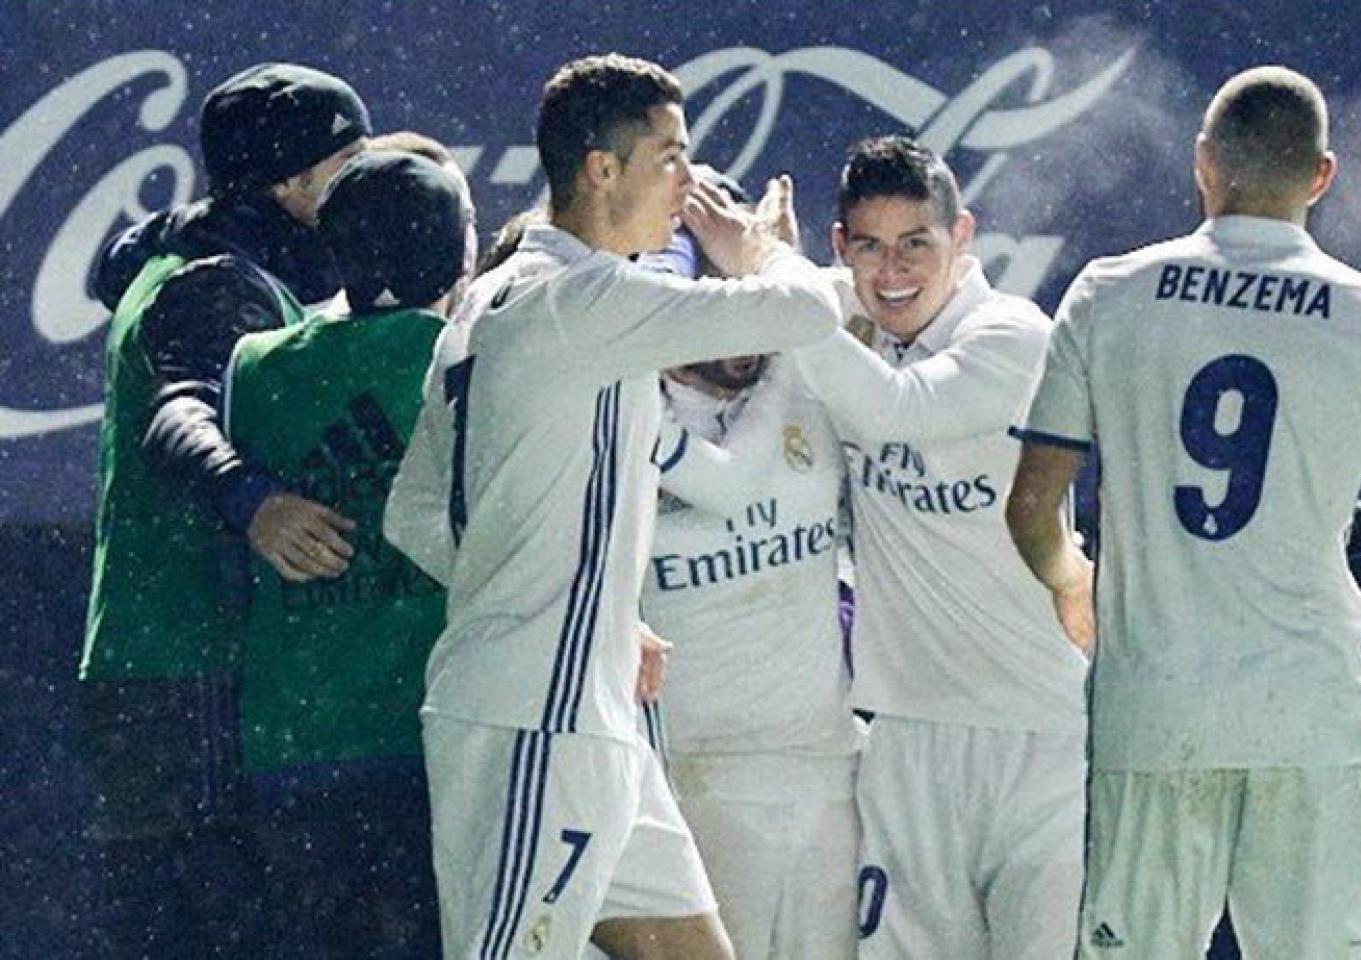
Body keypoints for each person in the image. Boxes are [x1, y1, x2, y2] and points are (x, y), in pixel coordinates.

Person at [1005, 66, 1361, 958]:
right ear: (1322, 176)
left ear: (1203, 164)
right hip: (1308, 715)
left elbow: (1033, 504)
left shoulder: (1109, 295)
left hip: (1155, 708)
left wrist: (1073, 580)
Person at [383, 53, 838, 960]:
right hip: (534, 719)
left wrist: (597, 609)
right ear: (602, 169)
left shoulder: (492, 298)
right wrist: (758, 245)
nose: (689, 182)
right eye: (671, 156)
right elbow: (809, 308)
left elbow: (416, 514)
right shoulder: (583, 296)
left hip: (585, 715)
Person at [78, 61, 369, 958]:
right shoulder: (216, 282)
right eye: (348, 165)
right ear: (288, 183)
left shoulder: (183, 254)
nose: (365, 185)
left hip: (153, 668)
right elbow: (178, 414)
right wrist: (256, 504)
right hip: (187, 666)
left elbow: (107, 263)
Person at [784, 136, 1087, 959]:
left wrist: (778, 289)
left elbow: (896, 410)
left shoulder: (1012, 333)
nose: (892, 273)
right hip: (906, 740)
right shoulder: (848, 325)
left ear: (962, 238)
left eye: (916, 243)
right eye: (869, 248)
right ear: (840, 249)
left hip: (1043, 741)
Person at [223, 147, 473, 959]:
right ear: (460, 250)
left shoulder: (257, 364)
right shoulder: (473, 359)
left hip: (294, 750)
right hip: (430, 745)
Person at [635, 172, 863, 960]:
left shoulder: (805, 367)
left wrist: (772, 258)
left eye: (753, 297)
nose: (746, 333)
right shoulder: (622, 404)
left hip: (825, 768)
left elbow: (886, 294)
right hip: (696, 775)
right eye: (720, 302)